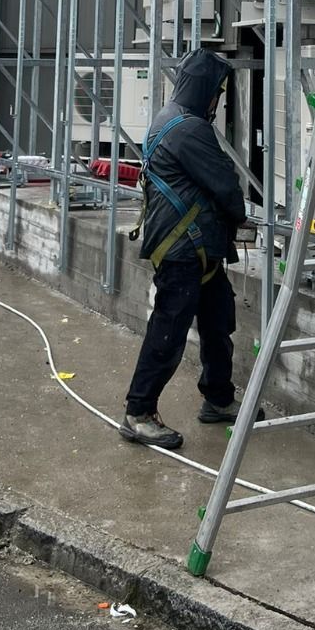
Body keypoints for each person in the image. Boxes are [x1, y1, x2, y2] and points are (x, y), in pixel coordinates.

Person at [122, 48, 252, 450]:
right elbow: (226, 186)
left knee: (217, 321)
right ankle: (139, 412)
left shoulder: (170, 117)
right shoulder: (190, 129)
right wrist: (239, 215)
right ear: (204, 91)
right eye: (217, 93)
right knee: (169, 328)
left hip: (193, 247)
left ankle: (218, 397)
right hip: (184, 250)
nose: (218, 101)